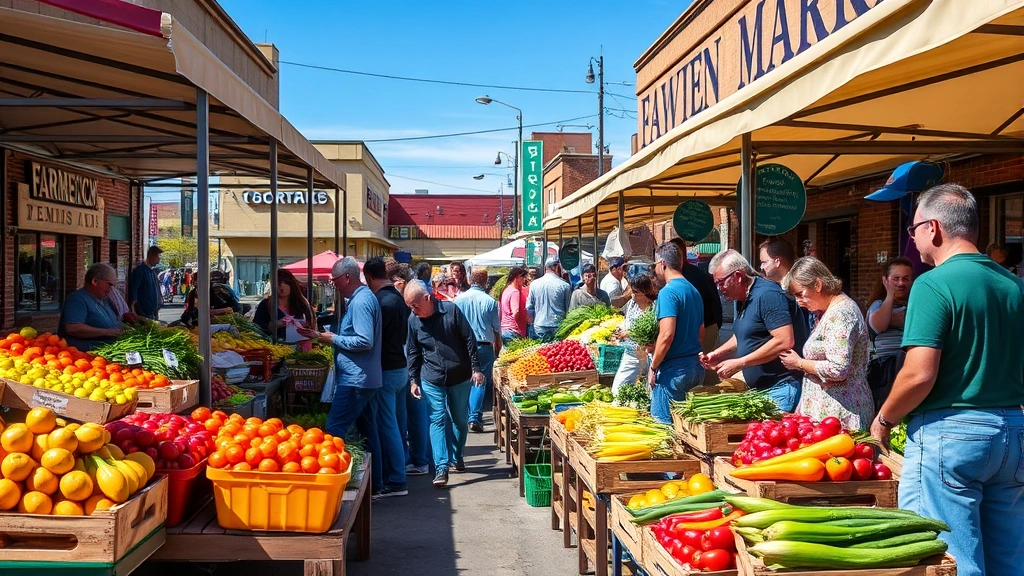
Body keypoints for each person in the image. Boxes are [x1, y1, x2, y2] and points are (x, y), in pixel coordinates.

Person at [869, 184, 1024, 576]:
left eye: (914, 228)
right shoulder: (1014, 285)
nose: (913, 237)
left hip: (951, 435)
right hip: (1012, 430)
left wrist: (884, 418)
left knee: (950, 561)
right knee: (1011, 560)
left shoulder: (933, 283)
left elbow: (920, 373)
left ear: (933, 228)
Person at [701, 250, 806, 412]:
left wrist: (740, 362)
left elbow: (785, 340)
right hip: (762, 390)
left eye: (721, 282)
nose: (719, 288)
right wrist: (718, 353)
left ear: (738, 276)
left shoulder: (767, 295)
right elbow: (745, 334)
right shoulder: (742, 299)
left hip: (780, 388)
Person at [405, 281, 485, 488]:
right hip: (431, 377)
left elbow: (469, 339)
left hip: (459, 375)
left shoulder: (451, 311)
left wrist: (476, 368)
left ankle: (457, 456)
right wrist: (413, 379)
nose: (414, 310)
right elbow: (413, 351)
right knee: (437, 419)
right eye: (410, 307)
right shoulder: (413, 320)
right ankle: (441, 466)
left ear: (427, 298)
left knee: (459, 419)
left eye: (415, 305)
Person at [778, 257, 873, 430]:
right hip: (826, 414)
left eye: (800, 294)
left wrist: (799, 363)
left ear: (818, 285)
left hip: (840, 416)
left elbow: (838, 369)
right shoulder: (824, 311)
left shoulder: (841, 314)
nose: (799, 302)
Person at [300, 257, 383, 443]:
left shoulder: (361, 301)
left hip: (355, 379)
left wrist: (334, 338)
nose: (333, 283)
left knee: (335, 428)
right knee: (368, 433)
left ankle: (335, 467)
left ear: (346, 277)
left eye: (334, 279)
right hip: (364, 378)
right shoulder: (362, 297)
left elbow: (365, 340)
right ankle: (377, 472)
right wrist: (318, 336)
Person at [363, 257, 409, 499]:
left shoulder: (381, 302)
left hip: (387, 369)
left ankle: (396, 480)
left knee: (387, 426)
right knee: (397, 424)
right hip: (400, 367)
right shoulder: (399, 299)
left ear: (370, 277)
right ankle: (399, 473)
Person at [648, 242, 705, 423]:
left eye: (655, 265)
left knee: (663, 427)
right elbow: (700, 333)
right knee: (686, 428)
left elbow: (667, 335)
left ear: (663, 263)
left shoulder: (668, 292)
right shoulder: (694, 290)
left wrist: (653, 367)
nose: (655, 270)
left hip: (674, 370)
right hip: (695, 366)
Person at [388, 262, 431, 475]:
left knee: (414, 413)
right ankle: (421, 459)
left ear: (401, 282)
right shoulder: (413, 301)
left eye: (392, 283)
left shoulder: (409, 303)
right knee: (416, 413)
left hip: (413, 365)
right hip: (416, 364)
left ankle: (419, 460)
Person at [454, 266, 501, 433]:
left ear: (471, 279)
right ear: (485, 281)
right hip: (483, 345)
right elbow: (496, 328)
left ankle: (465, 415)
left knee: (466, 380)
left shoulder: (459, 300)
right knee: (480, 381)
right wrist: (498, 348)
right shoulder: (490, 302)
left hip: (462, 345)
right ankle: (474, 416)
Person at [865, 257, 914, 411]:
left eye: (906, 278)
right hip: (884, 369)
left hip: (908, 366)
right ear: (885, 280)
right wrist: (889, 296)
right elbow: (879, 325)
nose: (901, 283)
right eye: (896, 279)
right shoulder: (878, 304)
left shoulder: (916, 303)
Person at [670, 238, 724, 361]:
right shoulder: (695, 274)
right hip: (706, 327)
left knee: (703, 366)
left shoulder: (690, 276)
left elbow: (713, 302)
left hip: (704, 327)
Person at [611, 263, 658, 394]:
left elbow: (652, 332)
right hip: (630, 354)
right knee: (617, 390)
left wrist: (630, 333)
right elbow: (627, 321)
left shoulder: (654, 308)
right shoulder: (632, 304)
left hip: (648, 356)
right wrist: (621, 330)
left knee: (647, 391)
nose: (632, 295)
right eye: (632, 291)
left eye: (635, 292)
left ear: (644, 293)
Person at [58, 263, 123, 352]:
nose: (111, 289)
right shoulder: (77, 299)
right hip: (84, 356)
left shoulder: (105, 299)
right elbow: (73, 328)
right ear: (95, 281)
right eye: (109, 284)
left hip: (108, 352)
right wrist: (108, 332)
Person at [253, 270, 316, 341]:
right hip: (276, 348)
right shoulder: (266, 304)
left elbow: (312, 326)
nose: (282, 286)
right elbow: (256, 328)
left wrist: (305, 326)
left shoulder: (302, 303)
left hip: (303, 346)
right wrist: (274, 325)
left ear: (292, 284)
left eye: (286, 283)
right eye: (279, 283)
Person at [526, 258, 571, 340]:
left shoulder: (534, 284)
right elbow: (569, 309)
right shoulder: (564, 285)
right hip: (558, 326)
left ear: (545, 268)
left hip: (539, 325)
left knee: (539, 351)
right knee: (558, 352)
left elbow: (529, 307)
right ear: (557, 267)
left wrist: (533, 323)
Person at [127, 246, 163, 320]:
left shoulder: (152, 272)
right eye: (157, 256)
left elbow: (157, 290)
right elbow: (134, 290)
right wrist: (134, 310)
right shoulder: (140, 271)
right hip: (143, 313)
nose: (158, 260)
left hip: (153, 312)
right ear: (151, 256)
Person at [500, 266, 529, 342]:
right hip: (512, 329)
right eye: (522, 277)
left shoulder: (506, 290)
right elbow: (515, 311)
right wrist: (516, 327)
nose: (524, 279)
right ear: (516, 277)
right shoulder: (514, 292)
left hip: (504, 329)